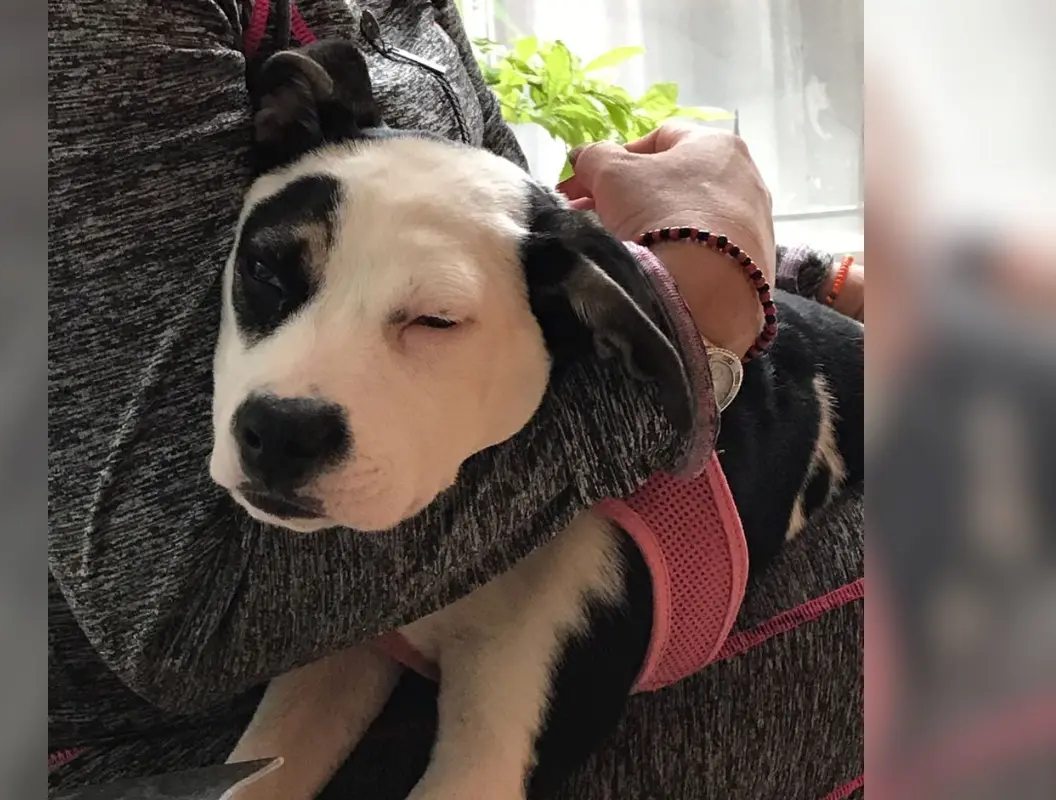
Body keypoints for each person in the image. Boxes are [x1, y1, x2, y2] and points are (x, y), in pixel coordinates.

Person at [48, 1, 863, 796]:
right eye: (271, 274)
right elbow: (184, 619)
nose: (293, 395)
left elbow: (505, 240)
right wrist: (700, 318)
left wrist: (801, 275)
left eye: (431, 320)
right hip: (147, 731)